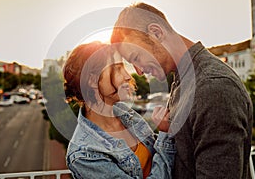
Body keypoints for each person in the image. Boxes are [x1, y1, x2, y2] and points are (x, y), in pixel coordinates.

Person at [110, 2, 253, 178]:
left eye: (136, 57)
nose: (138, 71)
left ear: (156, 33)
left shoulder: (212, 87)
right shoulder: (184, 80)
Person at [63, 41, 175, 179]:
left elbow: (152, 154)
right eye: (117, 68)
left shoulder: (126, 114)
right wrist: (165, 136)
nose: (128, 76)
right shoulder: (84, 154)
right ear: (92, 80)